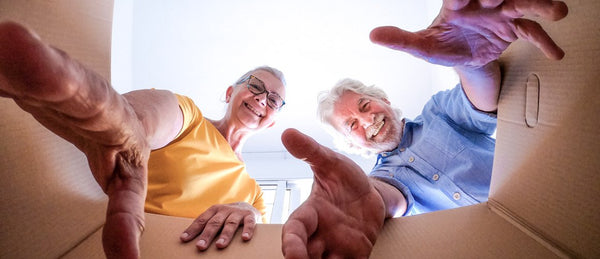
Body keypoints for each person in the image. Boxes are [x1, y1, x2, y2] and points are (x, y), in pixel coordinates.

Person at [280, 0, 568, 258]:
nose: (367, 121)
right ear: (351, 145)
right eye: (352, 124)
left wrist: (471, 64)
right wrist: (356, 207)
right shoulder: (377, 180)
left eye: (365, 106)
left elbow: (482, 101)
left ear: (385, 100)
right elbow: (381, 197)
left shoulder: (438, 112)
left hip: (551, 196)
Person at [0, 22, 285, 258]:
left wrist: (248, 210)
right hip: (127, 240)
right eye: (254, 85)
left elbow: (257, 234)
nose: (261, 98)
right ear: (229, 92)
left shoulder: (253, 194)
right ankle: (108, 123)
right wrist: (126, 128)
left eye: (274, 99)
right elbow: (154, 116)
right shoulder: (191, 118)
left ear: (271, 121)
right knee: (131, 122)